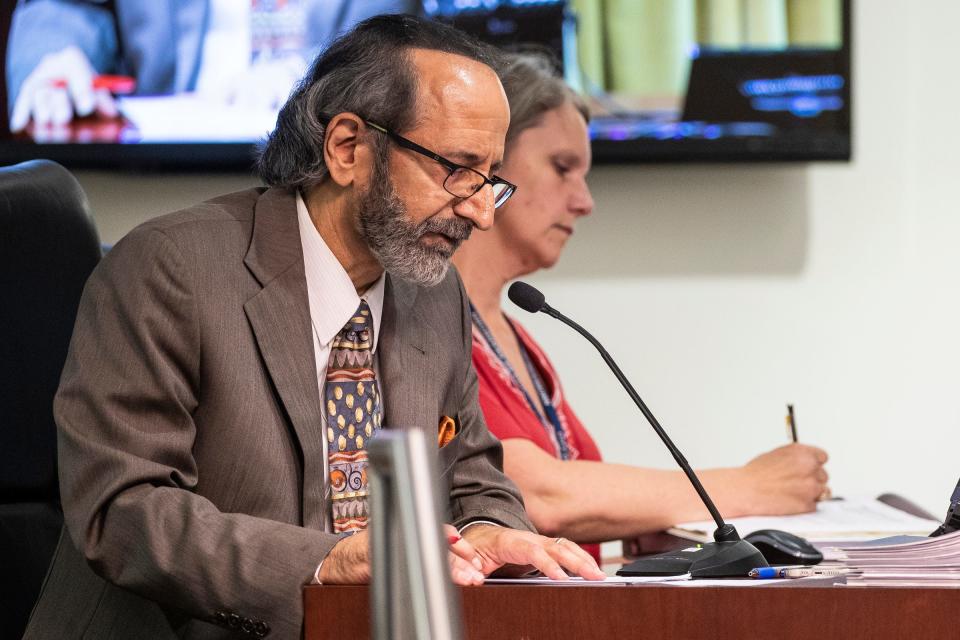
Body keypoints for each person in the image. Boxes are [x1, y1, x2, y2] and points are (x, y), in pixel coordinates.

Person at [22, 17, 603, 640]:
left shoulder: (435, 296)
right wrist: (323, 561)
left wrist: (489, 531)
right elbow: (122, 511)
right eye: (457, 170)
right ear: (348, 148)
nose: (481, 212)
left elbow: (473, 474)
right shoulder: (171, 269)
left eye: (490, 179)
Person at [452, 52, 831, 563]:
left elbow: (568, 516)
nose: (585, 202)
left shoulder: (523, 337)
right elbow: (536, 496)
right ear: (487, 161)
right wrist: (751, 485)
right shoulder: (426, 332)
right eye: (563, 168)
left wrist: (660, 527)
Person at [6, 0, 417, 131]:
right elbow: (66, 8)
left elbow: (393, 39)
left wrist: (323, 75)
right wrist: (50, 58)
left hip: (319, 177)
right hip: (155, 175)